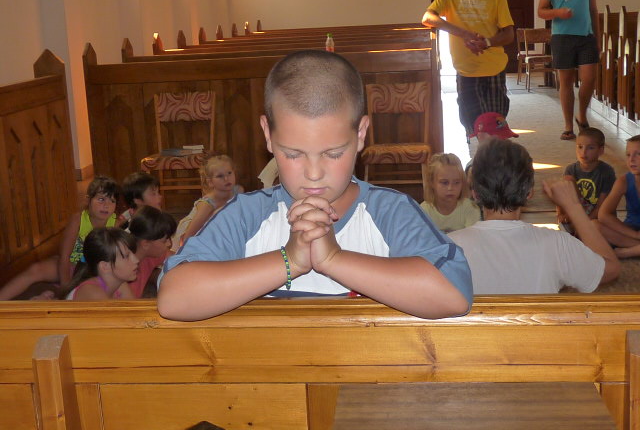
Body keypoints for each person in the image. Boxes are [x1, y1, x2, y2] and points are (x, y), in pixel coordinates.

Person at [157, 50, 473, 321]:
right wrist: (290, 260)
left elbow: (454, 295)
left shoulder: (390, 212)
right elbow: (173, 298)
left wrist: (333, 259)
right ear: (267, 134)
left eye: (333, 154)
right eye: (293, 154)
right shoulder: (246, 216)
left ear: (361, 133)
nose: (313, 174)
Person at [449, 138, 619, 294]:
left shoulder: (449, 247)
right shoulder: (557, 244)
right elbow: (611, 270)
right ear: (529, 192)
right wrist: (574, 207)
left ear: (474, 193)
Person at [421, 0, 514, 138]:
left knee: (495, 128)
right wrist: (463, 33)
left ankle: (494, 156)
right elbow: (428, 18)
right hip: (466, 71)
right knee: (473, 127)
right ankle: (482, 156)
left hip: (494, 69)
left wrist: (486, 43)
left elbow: (509, 34)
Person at [0, 176, 120, 300]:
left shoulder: (114, 224)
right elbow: (64, 256)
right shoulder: (78, 220)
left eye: (112, 201)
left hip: (93, 270)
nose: (106, 205)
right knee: (35, 269)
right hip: (70, 264)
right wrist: (65, 286)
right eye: (101, 199)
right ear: (88, 200)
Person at [538, 0, 600, 140]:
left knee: (589, 78)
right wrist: (557, 13)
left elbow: (593, 10)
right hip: (562, 36)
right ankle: (568, 126)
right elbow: (541, 11)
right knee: (566, 82)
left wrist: (597, 37)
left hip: (586, 36)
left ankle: (582, 115)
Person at [171, 155, 244, 252]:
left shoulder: (238, 191)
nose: (226, 178)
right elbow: (188, 235)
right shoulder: (207, 204)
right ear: (210, 182)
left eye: (229, 173)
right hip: (193, 235)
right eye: (220, 176)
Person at [558, 127, 615, 228]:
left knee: (597, 225)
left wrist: (584, 224)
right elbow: (561, 197)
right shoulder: (571, 170)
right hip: (578, 212)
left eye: (590, 148)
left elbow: (602, 207)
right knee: (568, 180)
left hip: (597, 216)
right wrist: (560, 214)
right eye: (580, 147)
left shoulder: (606, 172)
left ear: (601, 150)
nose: (583, 152)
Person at [63, 228, 139, 300]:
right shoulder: (92, 292)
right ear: (105, 266)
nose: (136, 260)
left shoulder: (120, 284)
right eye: (127, 256)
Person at [597, 135, 640, 258]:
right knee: (594, 226)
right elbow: (603, 215)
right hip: (631, 231)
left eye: (638, 154)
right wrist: (635, 235)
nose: (631, 159)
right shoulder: (624, 181)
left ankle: (628, 252)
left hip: (629, 240)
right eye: (628, 155)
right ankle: (636, 248)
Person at [420, 153, 480, 233]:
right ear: (432, 182)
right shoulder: (424, 210)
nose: (450, 188)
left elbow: (473, 238)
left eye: (456, 182)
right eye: (444, 183)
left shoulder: (470, 209)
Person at [129, 206, 177, 298]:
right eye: (164, 241)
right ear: (145, 243)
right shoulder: (125, 273)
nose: (169, 244)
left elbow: (178, 259)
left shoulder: (149, 254)